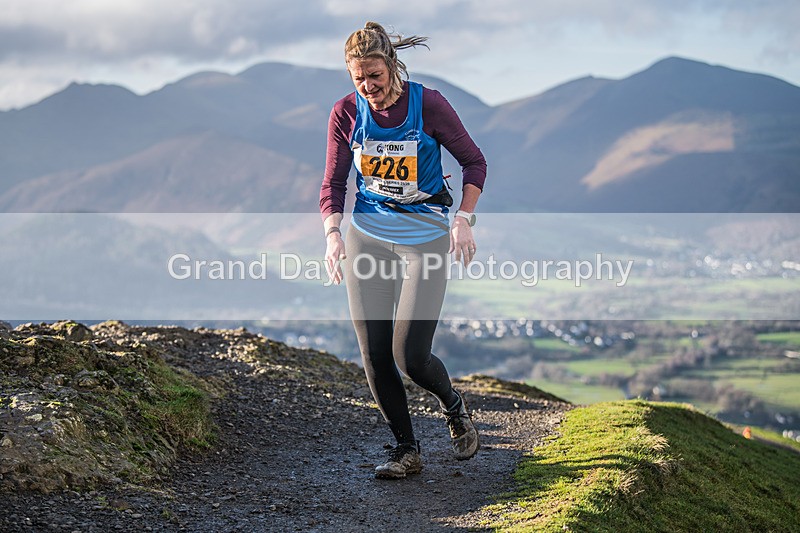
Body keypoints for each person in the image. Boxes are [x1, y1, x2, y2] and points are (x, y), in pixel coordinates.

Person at [319, 21, 487, 479]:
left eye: (375, 75)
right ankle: (405, 449)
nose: (369, 87)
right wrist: (333, 234)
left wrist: (463, 219)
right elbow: (334, 183)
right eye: (359, 79)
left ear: (392, 64)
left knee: (410, 356)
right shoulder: (345, 113)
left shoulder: (428, 104)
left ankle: (453, 406)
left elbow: (474, 162)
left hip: (424, 237)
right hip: (368, 235)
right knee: (374, 353)